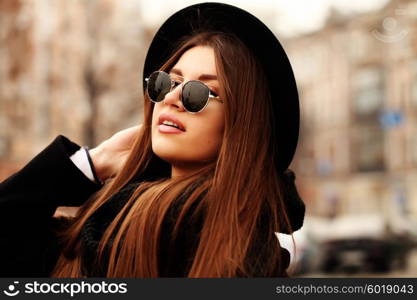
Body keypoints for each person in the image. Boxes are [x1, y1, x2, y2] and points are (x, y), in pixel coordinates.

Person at [0, 2, 305, 277]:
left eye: (198, 93)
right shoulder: (104, 226)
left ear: (241, 124)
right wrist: (97, 160)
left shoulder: (236, 256)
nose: (171, 98)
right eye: (166, 82)